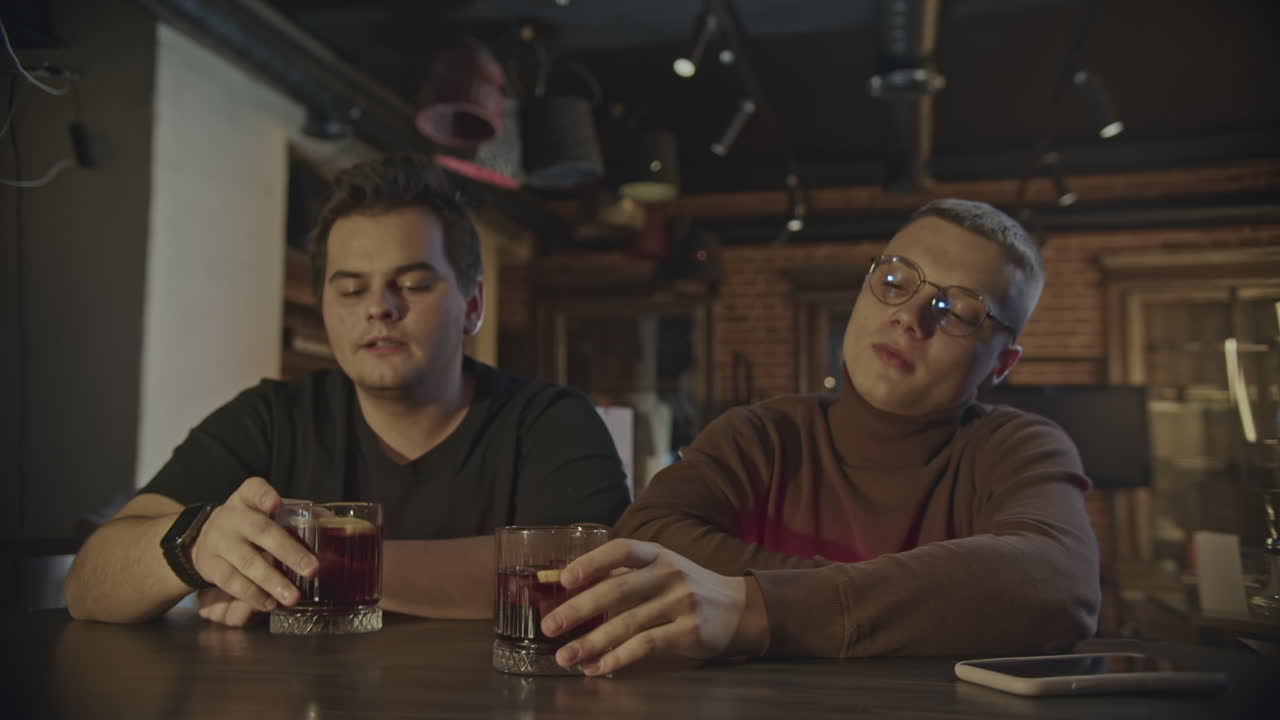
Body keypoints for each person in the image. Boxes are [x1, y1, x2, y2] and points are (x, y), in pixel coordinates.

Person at [538, 199, 1100, 676]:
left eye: (958, 311)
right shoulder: (761, 435)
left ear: (1001, 363)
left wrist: (756, 608)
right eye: (895, 282)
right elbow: (649, 538)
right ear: (864, 289)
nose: (910, 317)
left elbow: (1057, 583)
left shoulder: (1020, 446)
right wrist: (906, 609)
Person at [63, 154, 630, 625]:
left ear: (472, 305)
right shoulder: (272, 417)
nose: (380, 308)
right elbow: (89, 583)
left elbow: (584, 571)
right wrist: (196, 546)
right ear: (326, 308)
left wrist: (298, 566)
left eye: (411, 284)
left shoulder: (552, 420)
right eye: (352, 289)